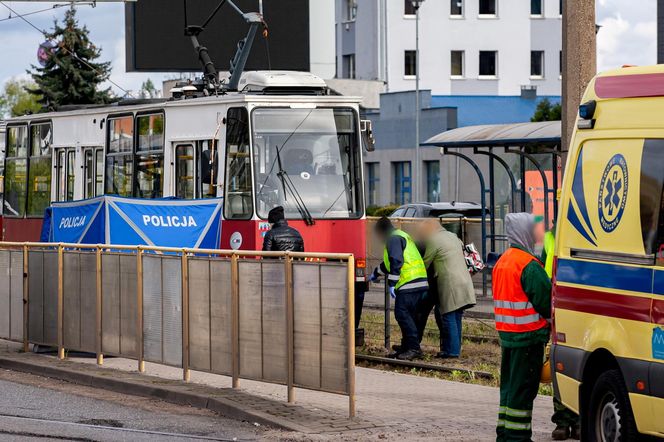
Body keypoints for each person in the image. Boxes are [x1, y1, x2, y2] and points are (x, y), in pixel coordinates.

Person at [493, 213, 551, 442]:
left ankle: (504, 434)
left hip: (509, 336)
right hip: (528, 337)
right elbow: (547, 302)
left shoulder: (503, 261)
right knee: (523, 391)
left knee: (508, 389)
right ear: (524, 232)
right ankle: (518, 438)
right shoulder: (528, 264)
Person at [541, 223, 580, 441]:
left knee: (560, 364)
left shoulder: (550, 237)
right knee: (579, 365)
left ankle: (563, 424)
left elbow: (543, 270)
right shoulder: (586, 231)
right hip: (579, 302)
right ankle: (577, 422)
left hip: (557, 300)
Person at [369, 217, 428, 361]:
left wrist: (392, 284)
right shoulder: (401, 236)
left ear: (382, 232)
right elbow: (388, 264)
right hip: (419, 281)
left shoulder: (393, 239)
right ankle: (407, 346)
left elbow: (396, 261)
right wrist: (375, 273)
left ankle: (414, 348)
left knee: (402, 314)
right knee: (410, 316)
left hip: (409, 282)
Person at [419, 219, 476, 358]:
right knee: (456, 317)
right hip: (464, 281)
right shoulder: (453, 236)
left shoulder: (433, 240)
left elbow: (425, 262)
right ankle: (455, 349)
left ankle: (451, 352)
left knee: (449, 316)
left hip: (450, 283)